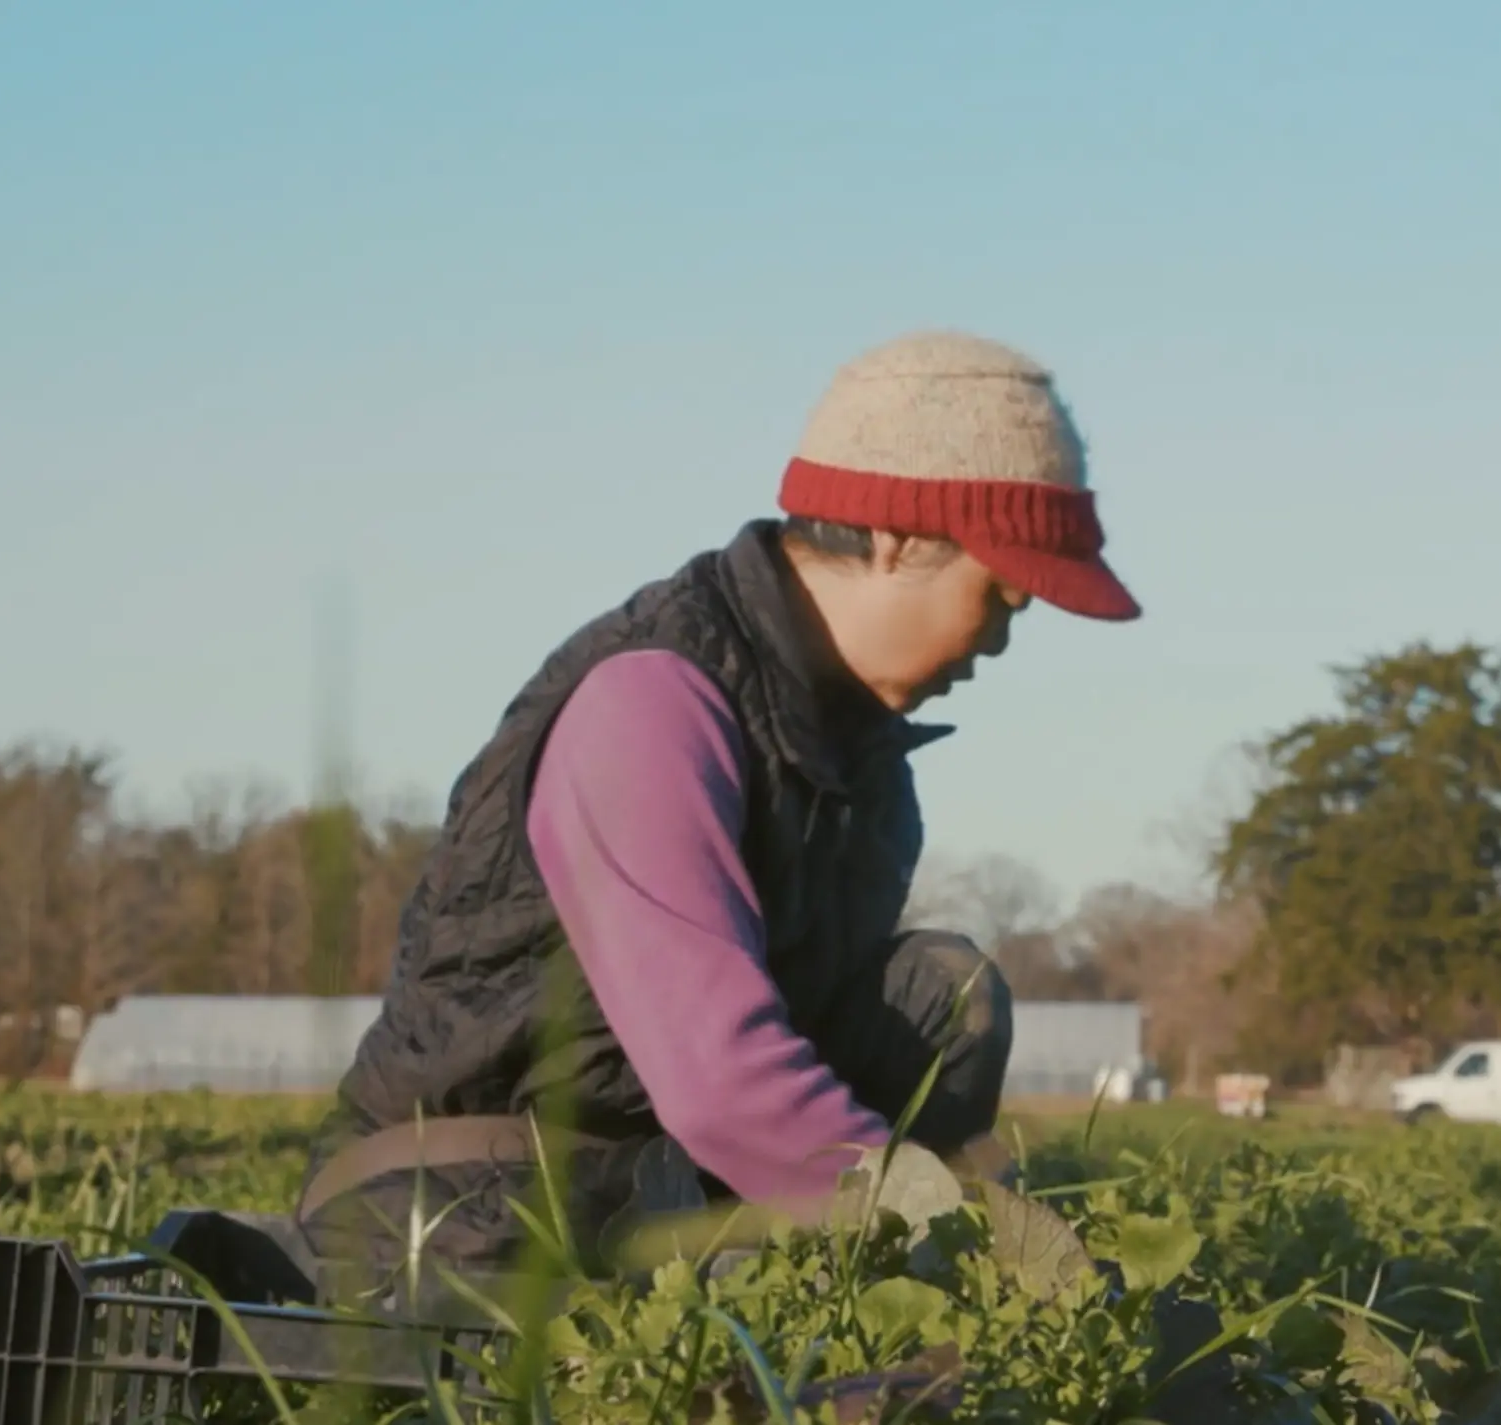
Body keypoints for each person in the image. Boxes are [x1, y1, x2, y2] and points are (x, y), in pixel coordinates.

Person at [293, 330, 1140, 1272]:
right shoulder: (650, 706)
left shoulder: (865, 772)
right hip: (462, 1215)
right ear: (901, 538)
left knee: (939, 998)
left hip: (653, 1193)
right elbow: (723, 1088)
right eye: (1003, 598)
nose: (999, 646)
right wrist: (960, 1240)